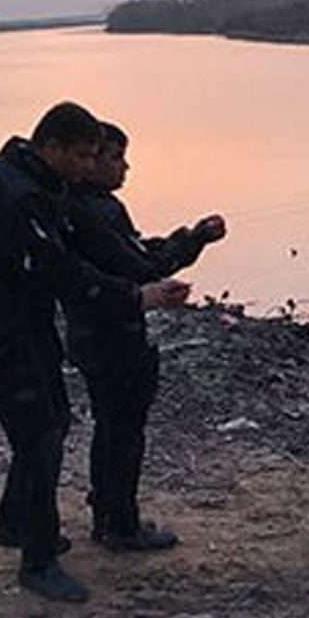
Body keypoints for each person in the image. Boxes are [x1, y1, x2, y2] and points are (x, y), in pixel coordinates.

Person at [0, 101, 189, 602]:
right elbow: (60, 270)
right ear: (50, 147)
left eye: (95, 155)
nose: (87, 167)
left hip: (27, 324)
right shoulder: (12, 194)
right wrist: (136, 297)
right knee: (41, 437)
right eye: (80, 156)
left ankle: (15, 524)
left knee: (53, 421)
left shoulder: (35, 180)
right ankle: (38, 561)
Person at [64, 121, 226, 551]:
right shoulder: (92, 211)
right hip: (111, 336)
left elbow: (135, 253)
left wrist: (189, 239)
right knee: (123, 430)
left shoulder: (88, 206)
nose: (125, 167)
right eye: (116, 157)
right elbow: (140, 266)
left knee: (112, 427)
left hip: (94, 334)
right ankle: (120, 525)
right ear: (92, 159)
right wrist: (194, 243)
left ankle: (108, 515)